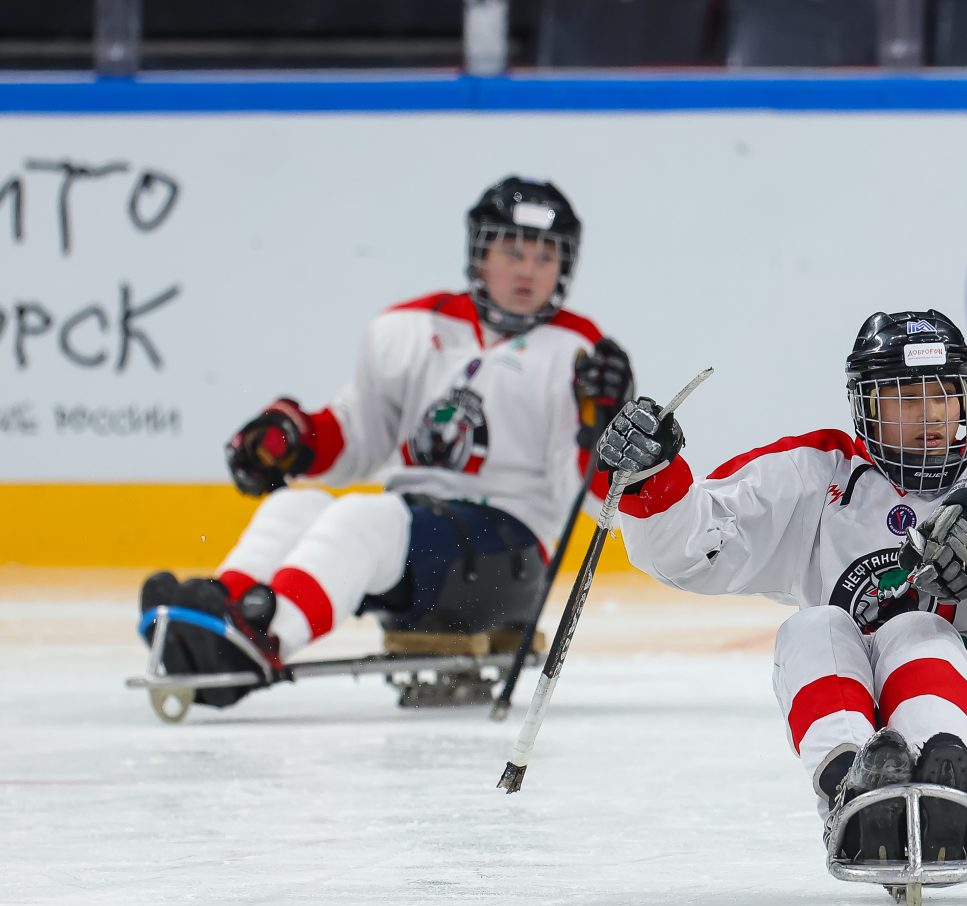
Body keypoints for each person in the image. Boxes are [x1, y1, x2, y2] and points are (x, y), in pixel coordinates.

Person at [595, 310, 967, 863]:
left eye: (944, 395)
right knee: (812, 626)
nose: (931, 414)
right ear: (868, 407)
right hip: (845, 700)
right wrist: (652, 478)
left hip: (963, 706)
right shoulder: (817, 472)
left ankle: (944, 777)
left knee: (919, 625)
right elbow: (691, 550)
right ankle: (854, 788)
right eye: (906, 397)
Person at [139, 177, 631, 706]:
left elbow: (588, 490)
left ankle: (262, 638)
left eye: (545, 256)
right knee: (296, 503)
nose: (528, 269)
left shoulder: (577, 352)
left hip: (507, 555)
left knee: (366, 518)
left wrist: (602, 427)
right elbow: (358, 435)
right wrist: (298, 440)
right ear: (480, 253)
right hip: (417, 540)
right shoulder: (412, 327)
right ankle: (222, 610)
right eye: (512, 250)